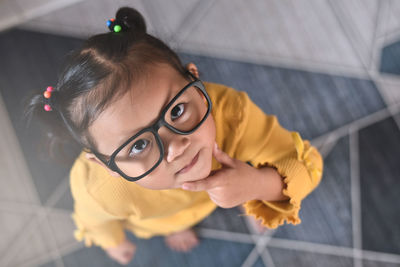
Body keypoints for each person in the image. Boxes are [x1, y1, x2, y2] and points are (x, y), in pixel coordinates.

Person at [27, 7, 323, 265]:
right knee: (167, 221)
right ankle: (176, 227)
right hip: (157, 219)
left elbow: (308, 164)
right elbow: (95, 219)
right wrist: (113, 241)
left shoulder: (232, 113)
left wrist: (258, 185)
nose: (178, 147)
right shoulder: (100, 188)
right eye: (139, 145)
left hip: (213, 195)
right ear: (106, 165)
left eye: (177, 111)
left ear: (194, 80)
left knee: (261, 191)